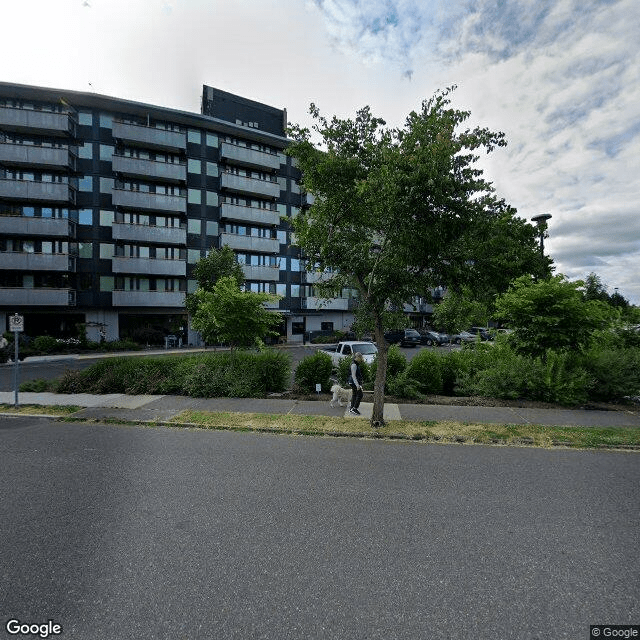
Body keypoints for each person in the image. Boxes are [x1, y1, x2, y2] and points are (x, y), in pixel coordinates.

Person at [348, 351, 364, 415]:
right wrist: (357, 385)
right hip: (354, 382)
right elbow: (353, 376)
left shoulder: (355, 364)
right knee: (360, 395)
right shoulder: (354, 365)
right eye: (360, 359)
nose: (361, 360)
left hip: (352, 382)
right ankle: (354, 408)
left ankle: (351, 408)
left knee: (354, 395)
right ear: (358, 358)